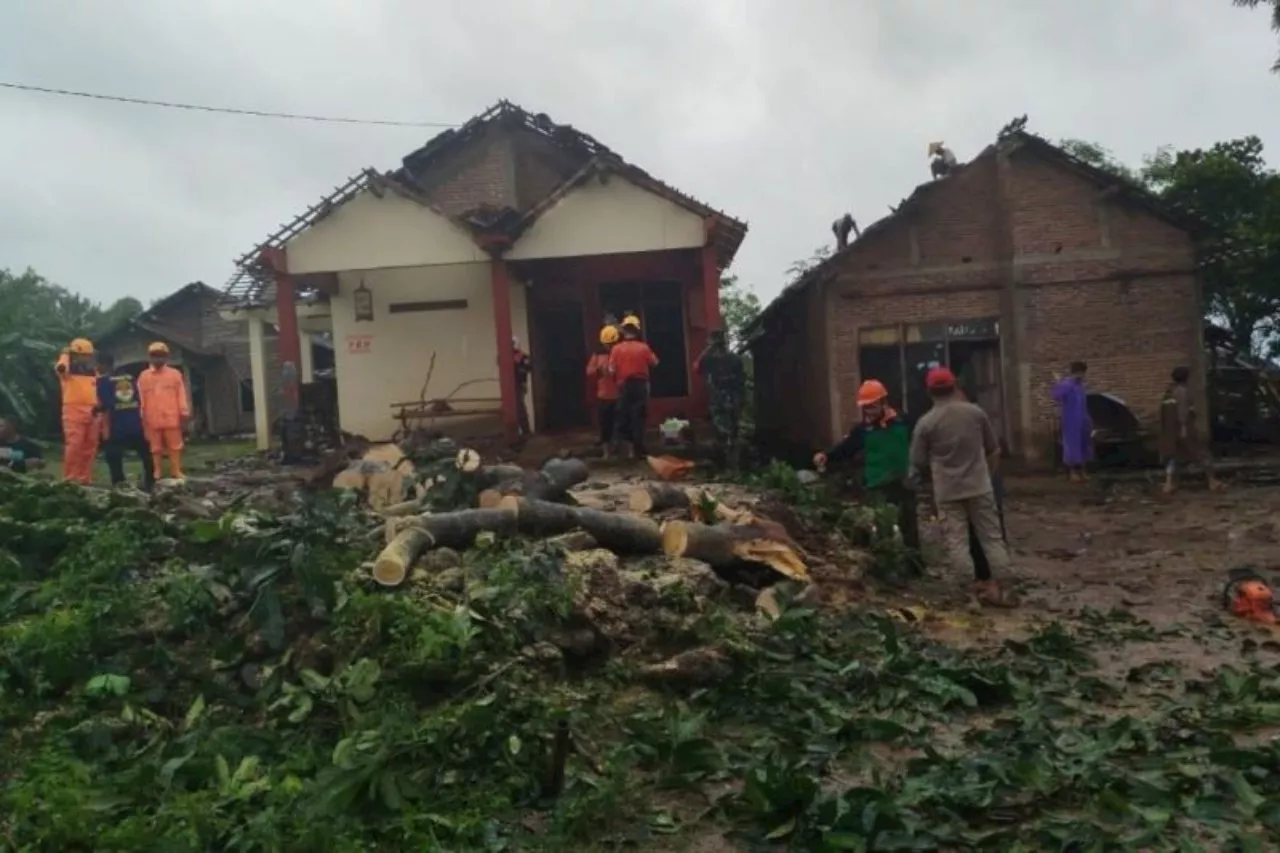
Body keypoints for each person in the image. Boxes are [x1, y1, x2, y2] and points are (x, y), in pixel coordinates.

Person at [909, 366, 1016, 607]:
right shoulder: (975, 413)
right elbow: (994, 450)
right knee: (991, 539)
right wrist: (985, 475)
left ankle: (968, 597)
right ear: (955, 385)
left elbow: (918, 462)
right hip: (980, 487)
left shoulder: (926, 423)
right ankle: (1006, 590)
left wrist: (931, 480)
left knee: (957, 542)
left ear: (929, 391)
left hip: (948, 492)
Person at [814, 379, 922, 571]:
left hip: (903, 480)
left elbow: (922, 442)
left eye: (872, 407)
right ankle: (887, 564)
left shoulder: (904, 422)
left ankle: (915, 565)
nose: (869, 412)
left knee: (908, 523)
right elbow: (845, 449)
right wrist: (826, 456)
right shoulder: (862, 430)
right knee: (881, 524)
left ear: (883, 403)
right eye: (865, 408)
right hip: (877, 482)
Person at [1159, 365, 1223, 495]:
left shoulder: (1168, 393)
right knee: (1202, 453)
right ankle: (1212, 482)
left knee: (1174, 457)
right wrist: (1184, 429)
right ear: (1186, 378)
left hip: (1170, 432)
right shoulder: (1182, 392)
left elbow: (1163, 414)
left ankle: (1169, 484)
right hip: (1185, 430)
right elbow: (1183, 412)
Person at [95, 353, 155, 491]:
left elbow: (103, 404)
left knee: (113, 454)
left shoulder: (103, 382)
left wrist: (96, 410)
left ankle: (119, 483)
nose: (97, 367)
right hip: (135, 422)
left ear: (103, 365)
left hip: (116, 424)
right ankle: (151, 481)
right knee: (146, 454)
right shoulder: (131, 378)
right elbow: (139, 398)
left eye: (98, 365)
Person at [137, 342, 190, 481]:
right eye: (155, 356)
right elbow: (140, 397)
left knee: (175, 445)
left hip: (172, 417)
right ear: (150, 357)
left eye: (161, 356)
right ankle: (157, 472)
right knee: (155, 447)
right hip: (151, 418)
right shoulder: (144, 376)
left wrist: (183, 411)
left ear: (166, 357)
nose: (158, 359)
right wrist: (141, 415)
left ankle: (176, 470)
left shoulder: (174, 374)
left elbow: (181, 394)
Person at [694, 328, 746, 469]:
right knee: (734, 433)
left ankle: (724, 467)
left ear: (712, 343)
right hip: (734, 400)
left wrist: (707, 349)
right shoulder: (735, 359)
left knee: (721, 434)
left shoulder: (709, 360)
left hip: (719, 401)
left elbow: (696, 366)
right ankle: (735, 467)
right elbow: (741, 381)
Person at [608, 315, 658, 458]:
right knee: (639, 418)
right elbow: (655, 363)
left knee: (623, 417)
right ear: (637, 330)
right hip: (640, 385)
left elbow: (611, 370)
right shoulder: (644, 348)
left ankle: (621, 449)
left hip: (624, 385)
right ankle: (639, 449)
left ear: (623, 330)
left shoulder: (616, 349)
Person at [53, 337, 101, 484]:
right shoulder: (66, 370)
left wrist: (98, 406)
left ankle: (85, 477)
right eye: (83, 355)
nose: (86, 358)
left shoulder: (92, 371)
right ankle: (70, 478)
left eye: (88, 356)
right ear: (75, 354)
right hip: (73, 409)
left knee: (90, 445)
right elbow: (60, 367)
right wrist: (65, 354)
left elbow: (97, 389)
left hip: (92, 410)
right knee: (74, 444)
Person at [1051, 361, 1092, 482]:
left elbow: (1083, 404)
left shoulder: (1080, 387)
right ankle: (1072, 472)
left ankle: (1082, 471)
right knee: (1072, 447)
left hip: (1083, 420)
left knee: (1083, 446)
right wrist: (1059, 384)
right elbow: (1056, 396)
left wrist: (1088, 419)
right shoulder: (1067, 384)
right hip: (1071, 421)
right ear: (1077, 372)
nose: (1083, 376)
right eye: (1081, 373)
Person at [587, 326, 620, 455]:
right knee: (605, 426)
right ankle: (606, 453)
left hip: (619, 395)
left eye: (611, 344)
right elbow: (589, 371)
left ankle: (619, 449)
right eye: (607, 344)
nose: (609, 347)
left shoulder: (620, 353)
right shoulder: (597, 355)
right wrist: (599, 371)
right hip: (604, 395)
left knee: (620, 425)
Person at [512, 337, 532, 438]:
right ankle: (518, 431)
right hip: (511, 385)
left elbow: (528, 368)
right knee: (513, 408)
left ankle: (526, 430)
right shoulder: (507, 357)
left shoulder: (523, 357)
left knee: (520, 408)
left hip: (520, 384)